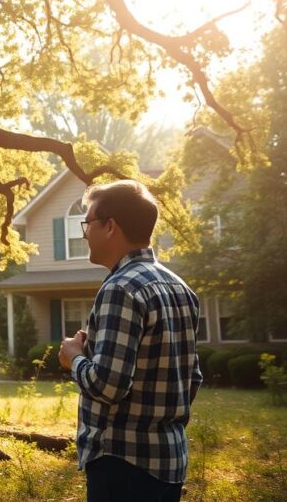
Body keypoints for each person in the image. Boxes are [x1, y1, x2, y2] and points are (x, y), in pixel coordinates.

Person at [58, 180, 203, 502]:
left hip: (122, 464)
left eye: (88, 223)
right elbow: (192, 378)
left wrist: (74, 357)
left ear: (110, 226)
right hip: (170, 461)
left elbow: (108, 385)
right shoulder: (180, 287)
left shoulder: (120, 288)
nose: (84, 234)